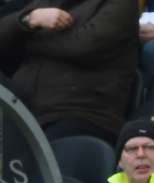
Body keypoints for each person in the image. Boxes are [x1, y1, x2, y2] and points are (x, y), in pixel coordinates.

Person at [0, 0, 139, 144]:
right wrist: (29, 19)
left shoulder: (122, 3)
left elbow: (84, 46)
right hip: (22, 111)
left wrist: (27, 42)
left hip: (83, 113)